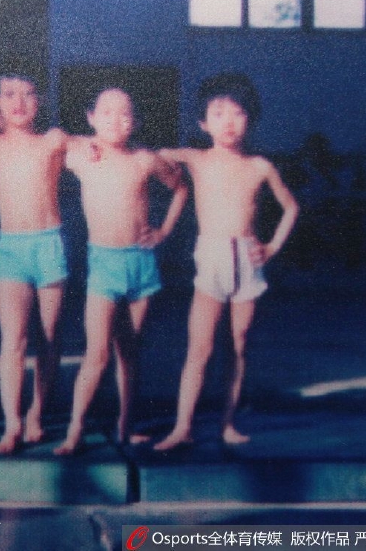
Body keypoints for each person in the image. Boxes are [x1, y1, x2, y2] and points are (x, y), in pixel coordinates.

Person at [154, 74, 298, 451]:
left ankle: (228, 423)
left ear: (250, 119)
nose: (228, 122)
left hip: (247, 258)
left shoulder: (260, 166)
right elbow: (151, 155)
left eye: (237, 113)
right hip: (213, 258)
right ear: (203, 123)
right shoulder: (196, 159)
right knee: (199, 348)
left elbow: (291, 207)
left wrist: (272, 247)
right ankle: (182, 426)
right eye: (218, 114)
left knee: (238, 343)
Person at [54, 87, 188, 455]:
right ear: (91, 117)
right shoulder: (82, 156)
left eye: (125, 113)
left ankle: (125, 427)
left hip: (140, 264)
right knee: (97, 354)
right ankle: (75, 430)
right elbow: (54, 138)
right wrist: (84, 140)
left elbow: (180, 188)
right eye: (107, 113)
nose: (116, 120)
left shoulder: (143, 159)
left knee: (129, 353)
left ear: (136, 121)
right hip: (104, 265)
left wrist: (164, 231)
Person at [0, 69, 70, 454]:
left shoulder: (53, 140)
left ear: (41, 100)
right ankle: (12, 424)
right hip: (12, 249)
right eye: (9, 94)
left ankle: (36, 414)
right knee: (13, 340)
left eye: (28, 93)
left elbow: (95, 144)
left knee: (49, 337)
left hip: (48, 244)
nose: (18, 102)